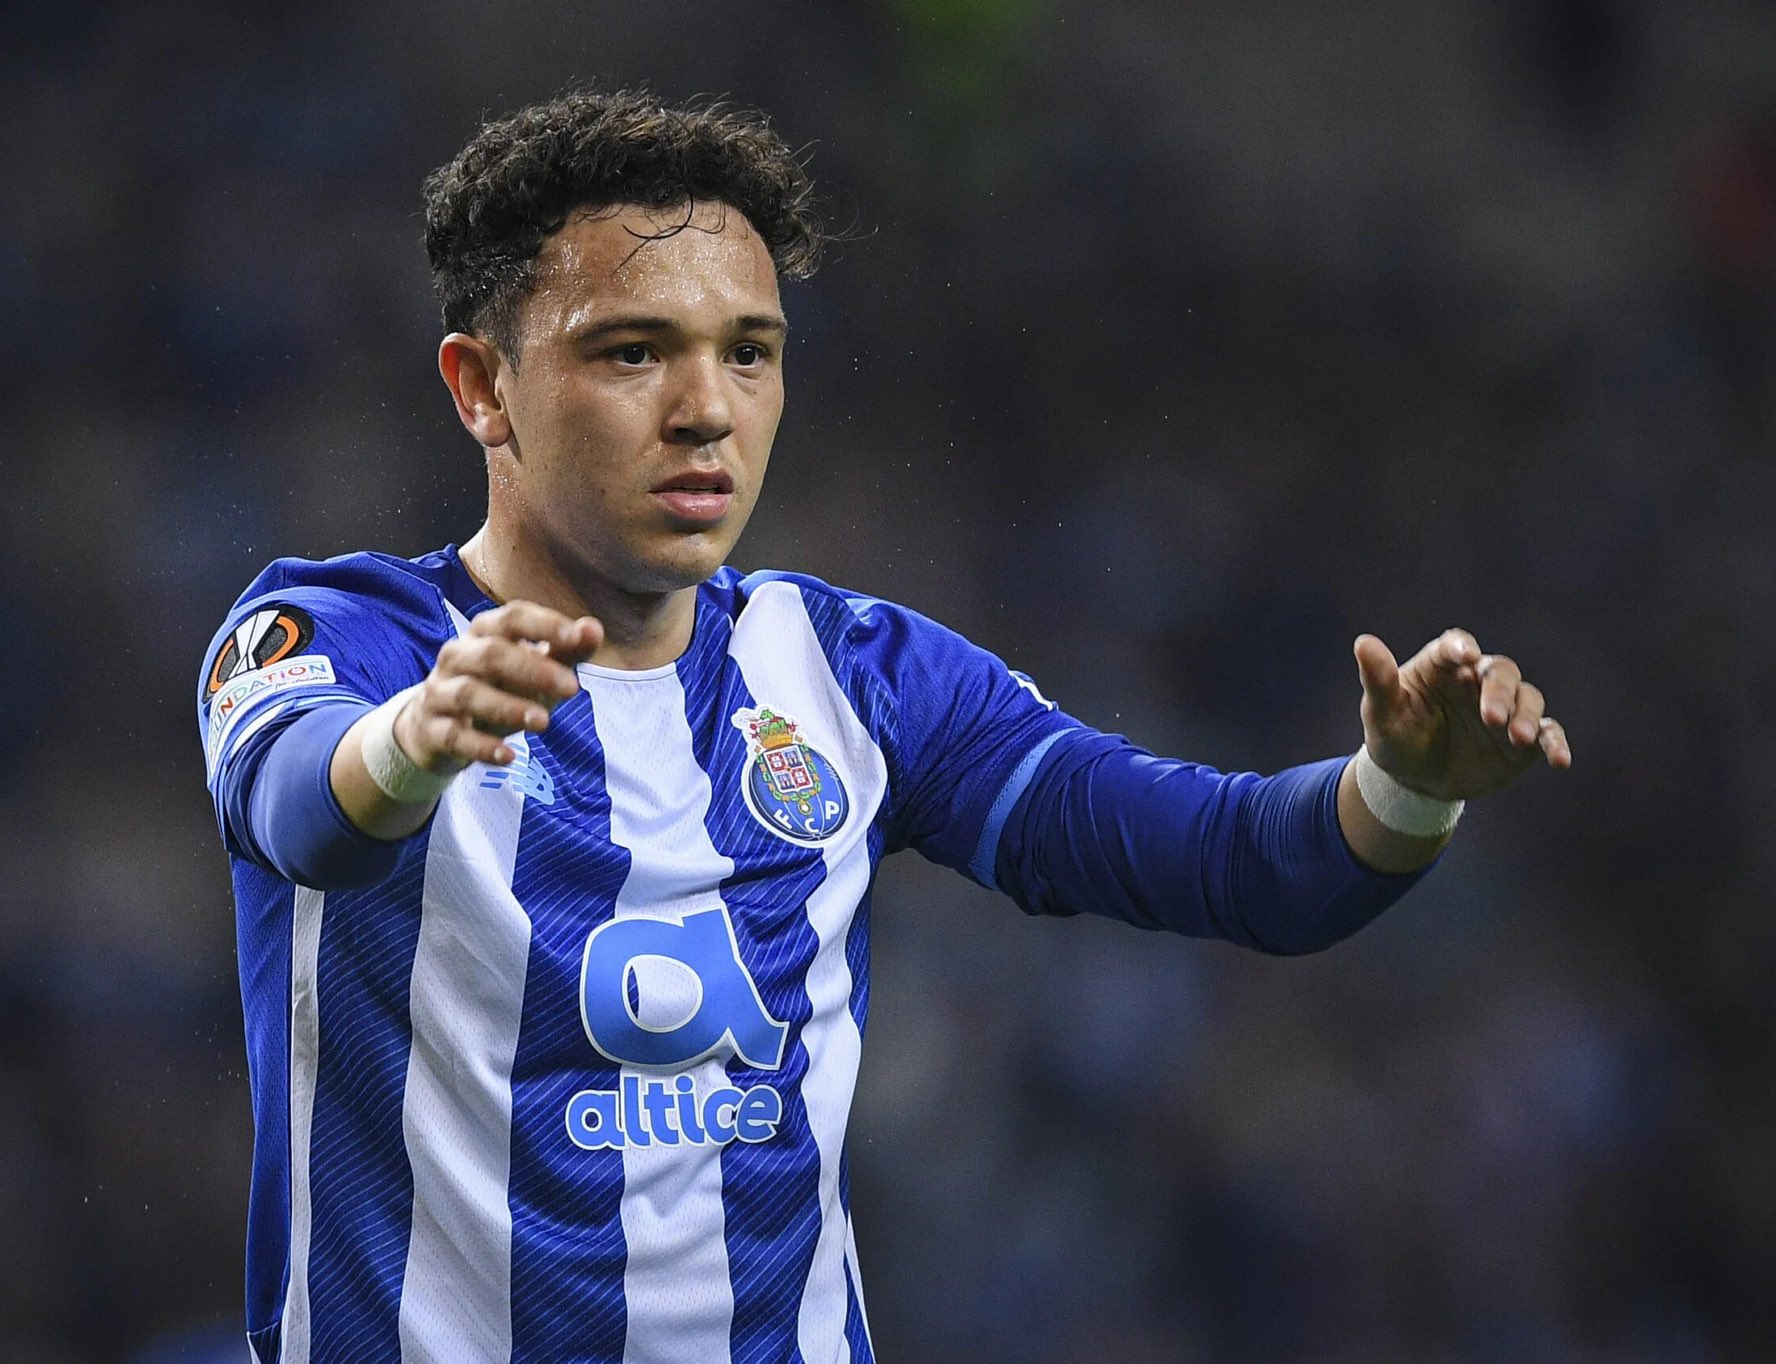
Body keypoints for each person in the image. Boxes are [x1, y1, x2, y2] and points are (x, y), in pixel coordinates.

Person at [195, 89, 1572, 1364]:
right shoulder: (338, 636)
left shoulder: (857, 676)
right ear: (482, 387)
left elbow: (1237, 865)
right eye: (633, 352)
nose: (706, 412)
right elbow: (300, 811)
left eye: (749, 353)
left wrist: (1403, 787)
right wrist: (417, 742)